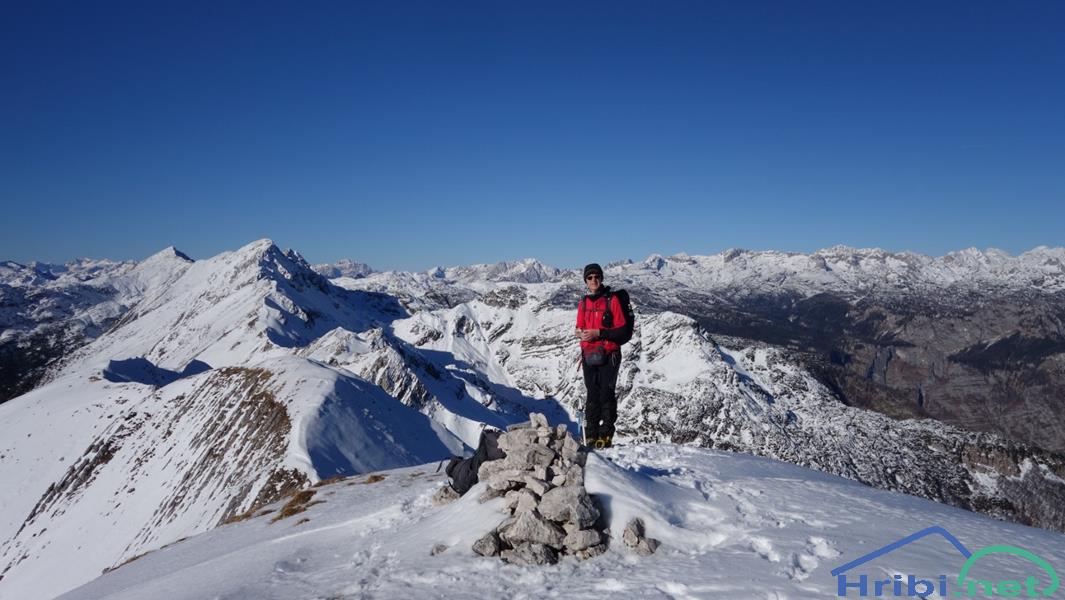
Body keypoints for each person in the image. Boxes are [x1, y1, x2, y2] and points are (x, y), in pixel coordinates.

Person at [574, 263, 633, 449]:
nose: (594, 280)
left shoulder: (612, 300)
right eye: (590, 277)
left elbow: (622, 330)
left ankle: (606, 435)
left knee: (606, 394)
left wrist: (598, 333)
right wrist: (580, 333)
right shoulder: (583, 303)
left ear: (601, 278)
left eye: (597, 276)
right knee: (592, 395)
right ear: (585, 280)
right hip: (589, 354)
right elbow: (578, 327)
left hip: (609, 354)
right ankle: (591, 435)